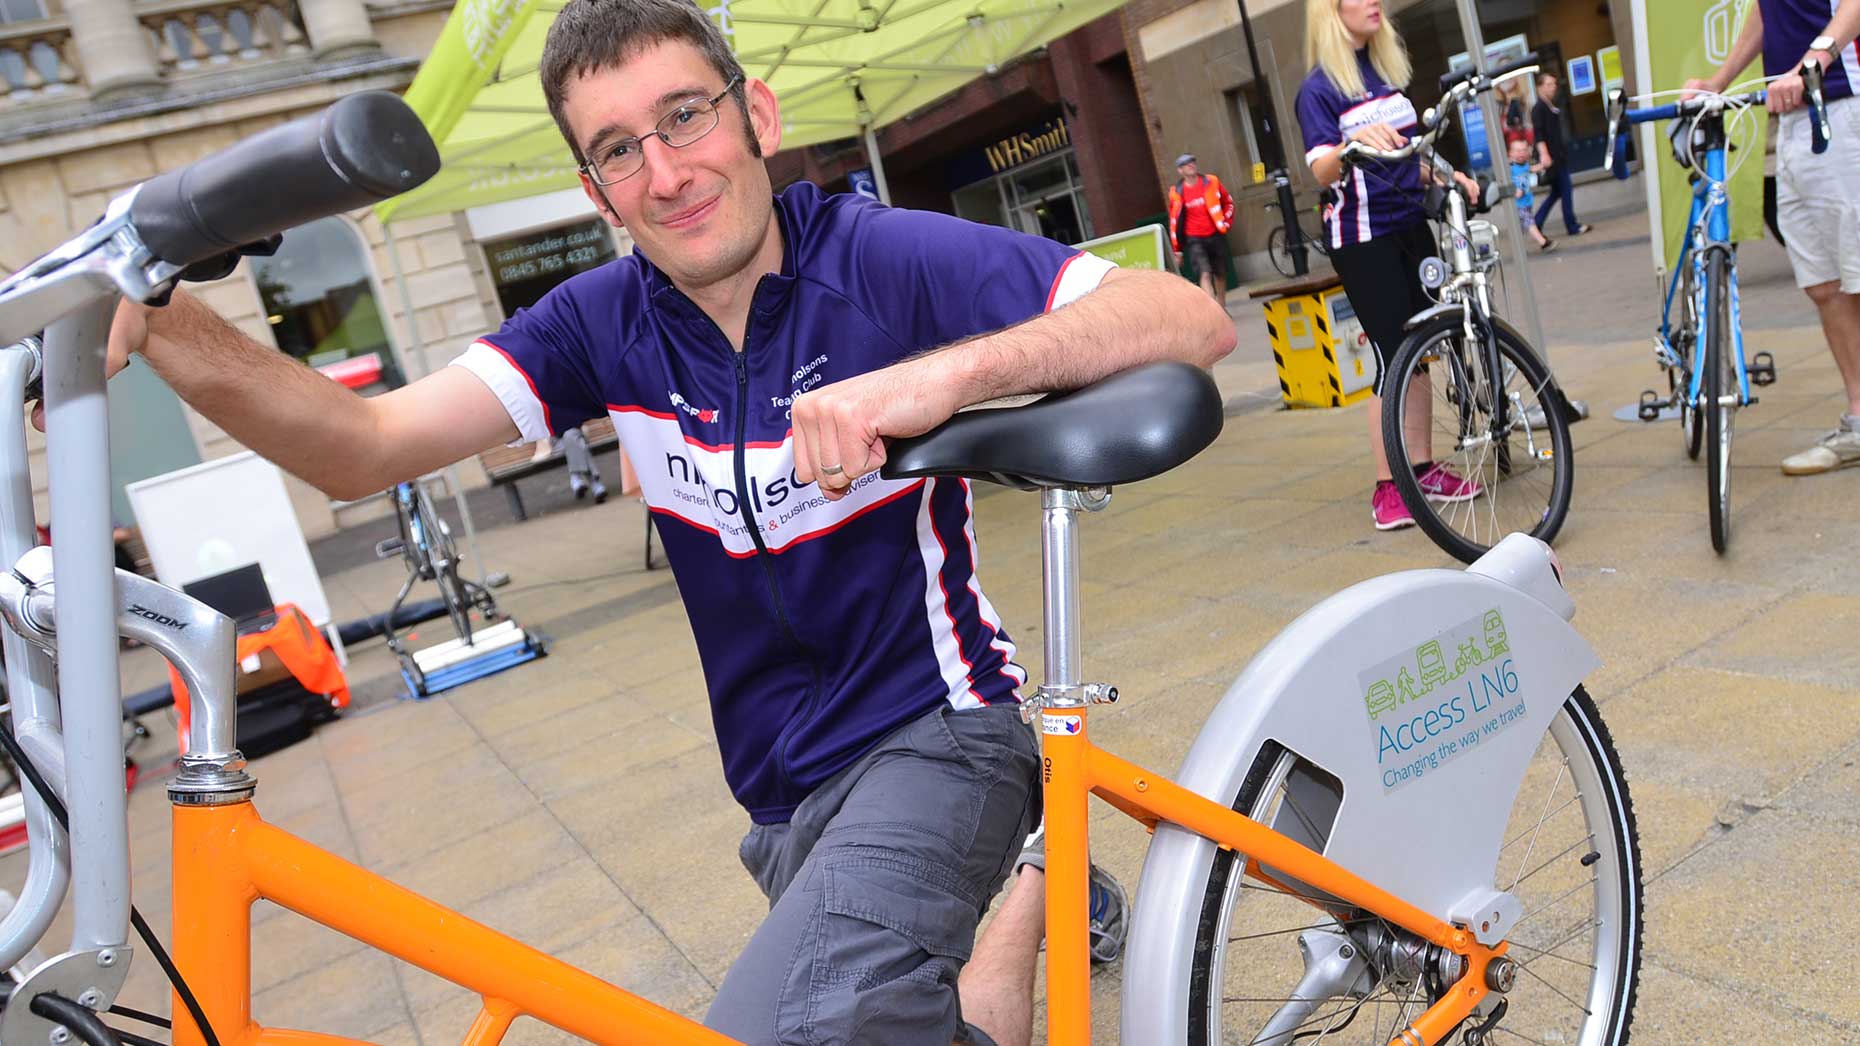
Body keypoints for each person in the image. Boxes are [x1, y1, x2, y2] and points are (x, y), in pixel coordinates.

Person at [88, 1, 1236, 1043]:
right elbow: (365, 447)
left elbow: (1184, 317)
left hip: (937, 728)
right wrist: (167, 319)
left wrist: (936, 378)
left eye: (685, 116)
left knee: (792, 1027)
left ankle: (1018, 847)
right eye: (619, 149)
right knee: (894, 1018)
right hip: (778, 790)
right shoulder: (599, 322)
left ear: (757, 117)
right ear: (596, 191)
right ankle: (1042, 877)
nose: (669, 170)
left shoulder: (875, 256)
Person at [1294, 0, 1483, 530]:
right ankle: (1388, 486)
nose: (1374, 1)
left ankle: (1421, 468)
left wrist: (1448, 177)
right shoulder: (1319, 88)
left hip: (1409, 224)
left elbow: (1408, 156)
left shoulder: (1383, 75)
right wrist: (1350, 142)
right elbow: (1321, 170)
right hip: (1362, 235)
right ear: (1333, 11)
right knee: (1391, 355)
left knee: (1422, 349)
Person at [1687, 0, 1860, 475]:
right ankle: (1859, 422)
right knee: (1824, 284)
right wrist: (1718, 83)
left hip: (1844, 107)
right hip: (1795, 121)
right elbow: (1767, 13)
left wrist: (1814, 61)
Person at [1530, 72, 1593, 239]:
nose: (1553, 87)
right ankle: (1571, 225)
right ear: (1540, 87)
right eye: (1549, 84)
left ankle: (1536, 222)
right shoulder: (1539, 108)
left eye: (1554, 84)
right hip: (1552, 158)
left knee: (1557, 192)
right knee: (1565, 189)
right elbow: (1539, 133)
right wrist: (1544, 154)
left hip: (1558, 155)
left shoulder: (1550, 105)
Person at [1166, 154, 1236, 303]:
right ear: (1180, 170)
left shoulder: (1211, 182)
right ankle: (1214, 312)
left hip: (1215, 234)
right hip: (1194, 238)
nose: (1191, 165)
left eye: (1192, 162)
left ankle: (1221, 307)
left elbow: (1228, 203)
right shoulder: (1177, 193)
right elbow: (1174, 222)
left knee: (1220, 273)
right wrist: (1177, 250)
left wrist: (1226, 223)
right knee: (1205, 273)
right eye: (1186, 164)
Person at [1507, 135, 1555, 251]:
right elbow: (1506, 182)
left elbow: (1532, 169)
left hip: (1527, 202)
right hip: (1518, 204)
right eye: (1518, 151)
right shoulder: (1510, 168)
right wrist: (1515, 191)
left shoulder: (1524, 165)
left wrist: (1544, 165)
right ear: (1511, 153)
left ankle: (1517, 246)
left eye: (1524, 150)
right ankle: (1543, 242)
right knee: (1530, 223)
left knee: (1522, 226)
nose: (1521, 153)